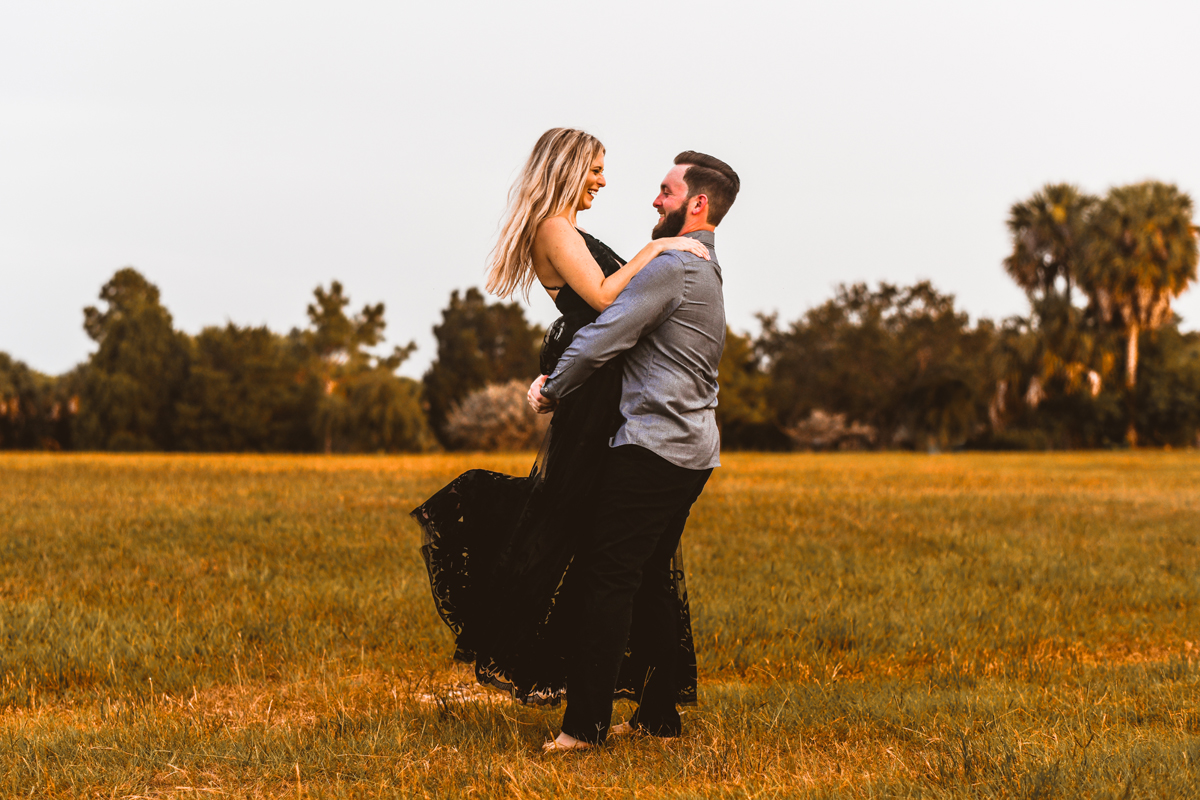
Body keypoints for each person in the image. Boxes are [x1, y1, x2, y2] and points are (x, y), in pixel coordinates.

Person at [410, 128, 709, 707]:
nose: (602, 180)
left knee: (604, 531)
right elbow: (601, 300)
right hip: (594, 393)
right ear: (568, 168)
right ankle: (555, 655)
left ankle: (646, 691)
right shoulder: (553, 226)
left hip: (601, 384)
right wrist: (662, 248)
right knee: (576, 521)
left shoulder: (568, 229)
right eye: (595, 168)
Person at [528, 150, 739, 752]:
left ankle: (585, 727)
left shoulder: (674, 268)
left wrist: (552, 388)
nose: (654, 200)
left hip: (654, 446)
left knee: (607, 578)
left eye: (666, 191)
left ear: (697, 204)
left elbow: (604, 336)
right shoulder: (705, 266)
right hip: (691, 448)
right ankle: (658, 715)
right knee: (649, 579)